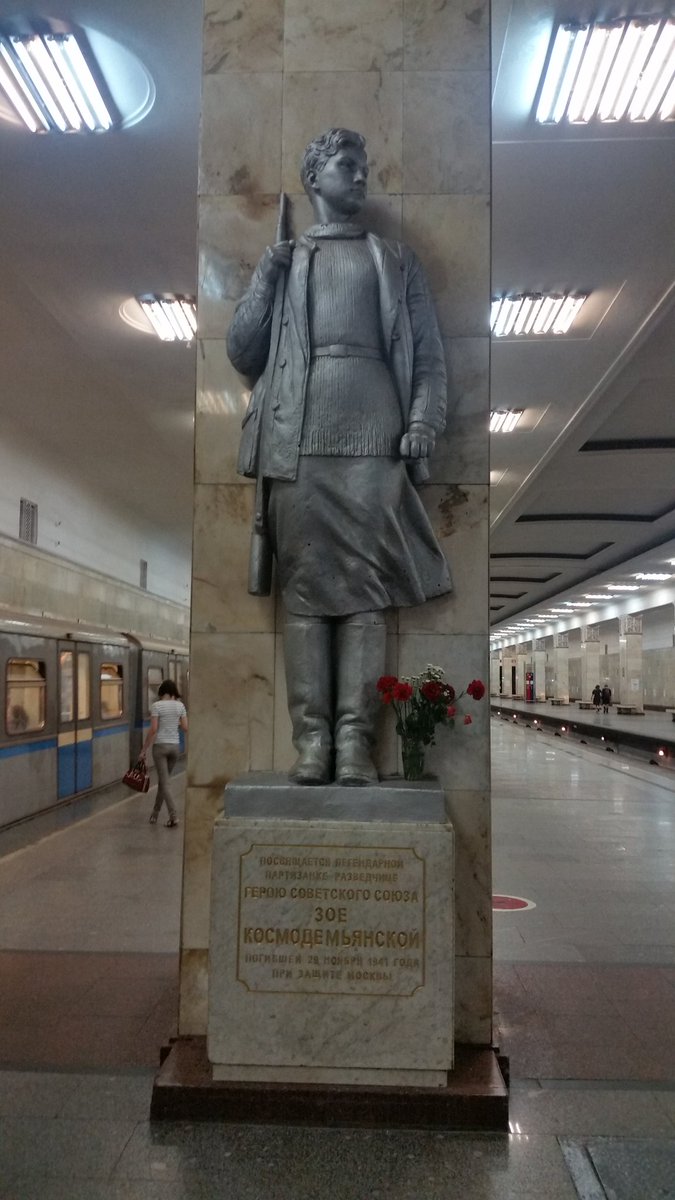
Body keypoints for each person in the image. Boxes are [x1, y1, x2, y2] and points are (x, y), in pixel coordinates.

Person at [227, 128, 451, 788]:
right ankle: (311, 740)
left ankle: (355, 740)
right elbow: (243, 353)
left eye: (363, 167)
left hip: (373, 436)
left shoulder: (394, 259)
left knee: (365, 594)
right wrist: (265, 274)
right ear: (314, 177)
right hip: (295, 436)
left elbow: (430, 359)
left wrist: (420, 424)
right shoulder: (288, 258)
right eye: (347, 167)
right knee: (303, 594)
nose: (361, 178)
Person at [140, 680, 187, 826]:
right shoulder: (180, 706)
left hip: (160, 747)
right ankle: (155, 813)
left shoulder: (157, 706)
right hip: (175, 747)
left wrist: (144, 749)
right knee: (164, 782)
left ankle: (173, 816)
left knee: (164, 783)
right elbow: (185, 727)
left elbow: (154, 729)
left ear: (162, 692)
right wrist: (174, 723)